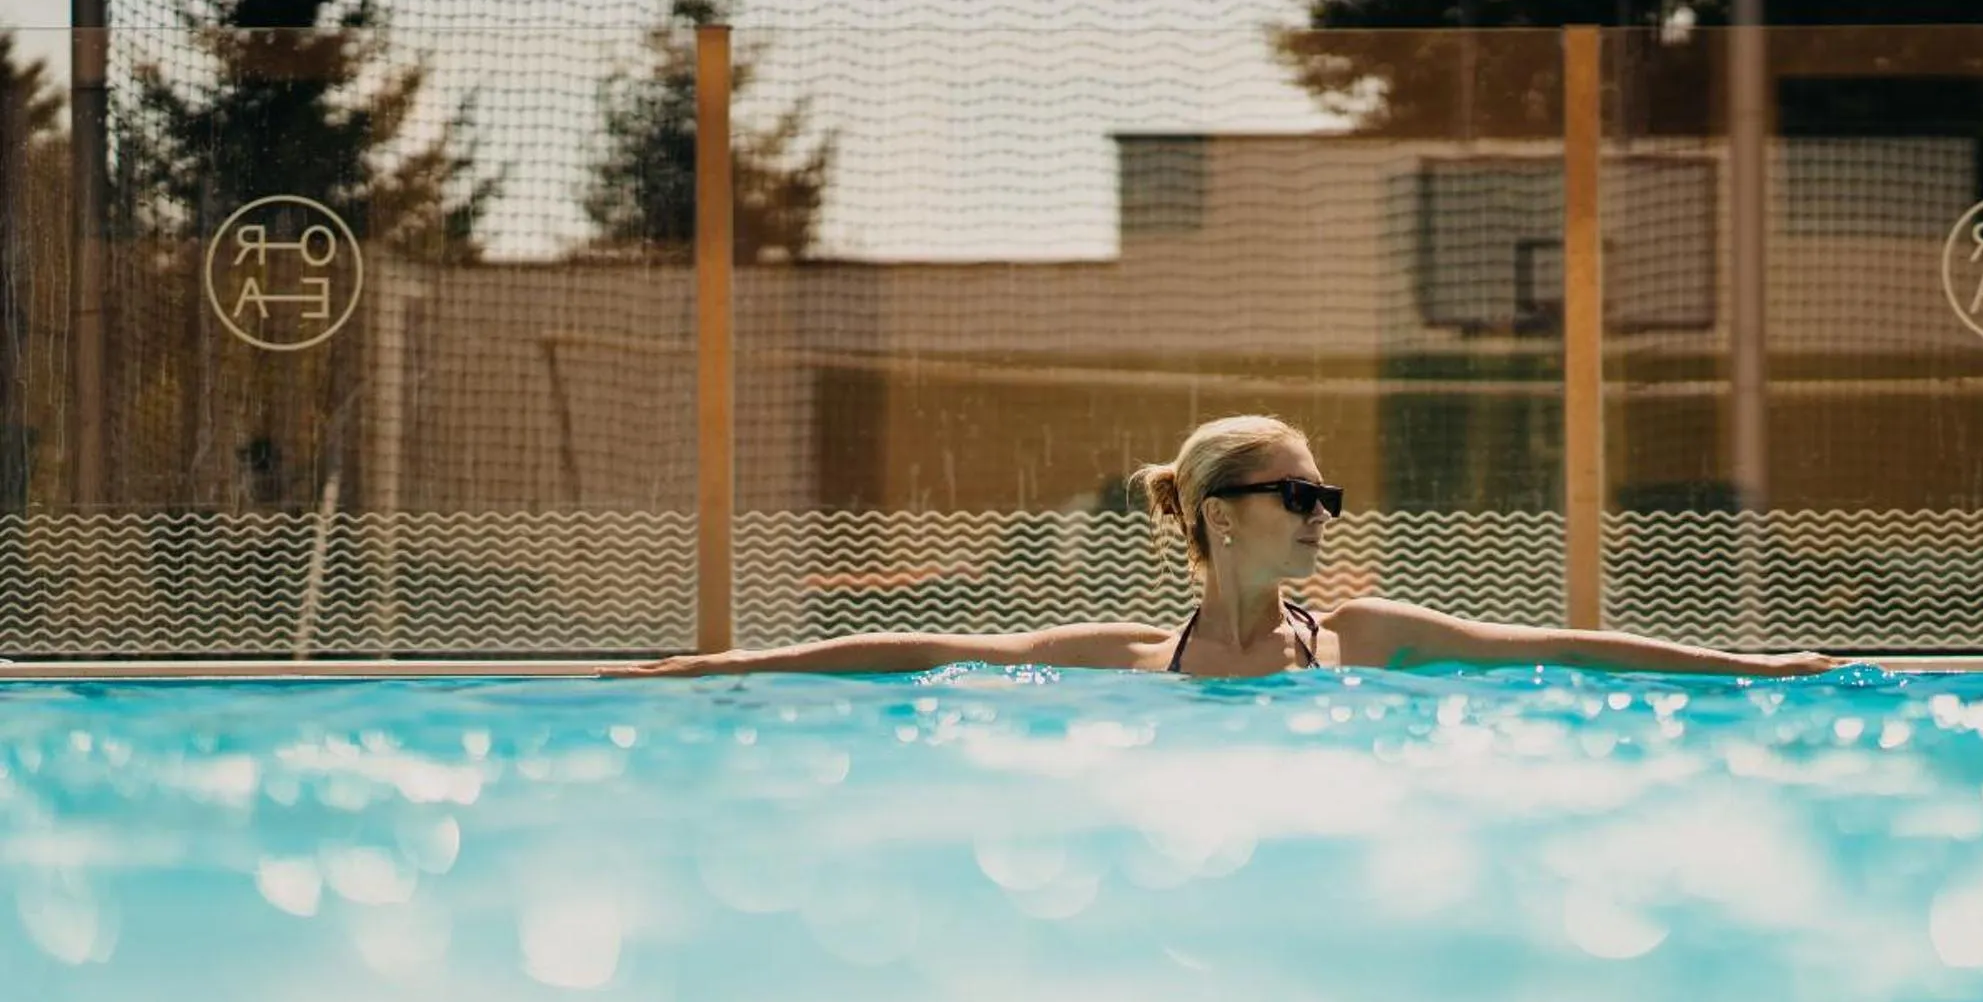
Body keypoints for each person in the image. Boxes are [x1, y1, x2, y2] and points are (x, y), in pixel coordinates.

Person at [610, 415, 1838, 679]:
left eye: (1325, 495)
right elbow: (919, 647)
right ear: (1220, 513)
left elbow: (1563, 647)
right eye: (1299, 495)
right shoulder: (1136, 659)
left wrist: (1751, 669)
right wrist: (714, 669)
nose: (1321, 514)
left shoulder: (1361, 636)